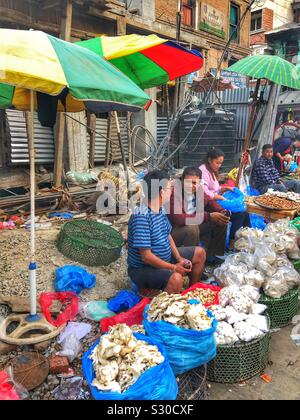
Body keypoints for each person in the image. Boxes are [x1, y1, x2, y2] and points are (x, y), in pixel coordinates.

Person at [127, 170, 206, 294]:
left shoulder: (160, 208)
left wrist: (179, 258)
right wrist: (174, 268)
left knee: (200, 253)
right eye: (170, 188)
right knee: (176, 278)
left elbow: (167, 235)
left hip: (164, 258)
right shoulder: (141, 216)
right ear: (161, 192)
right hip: (143, 268)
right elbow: (146, 257)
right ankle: (164, 307)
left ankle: (191, 292)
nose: (172, 191)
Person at [168, 167, 229, 259]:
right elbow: (179, 219)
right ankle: (192, 261)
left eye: (194, 183)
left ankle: (213, 256)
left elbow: (210, 201)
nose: (190, 185)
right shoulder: (174, 193)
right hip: (175, 231)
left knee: (221, 220)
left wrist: (221, 211)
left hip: (194, 223)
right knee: (192, 228)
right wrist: (208, 216)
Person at [199, 148, 251, 249]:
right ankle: (232, 244)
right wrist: (216, 196)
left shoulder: (212, 170)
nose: (219, 166)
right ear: (210, 160)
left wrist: (225, 188)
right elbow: (204, 191)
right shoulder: (203, 171)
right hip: (207, 204)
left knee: (244, 211)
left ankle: (247, 238)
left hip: (216, 200)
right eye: (217, 163)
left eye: (220, 163)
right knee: (239, 214)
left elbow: (215, 188)